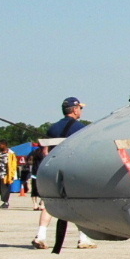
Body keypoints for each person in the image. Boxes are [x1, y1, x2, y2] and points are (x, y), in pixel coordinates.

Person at [38, 97, 96, 250]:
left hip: (54, 170)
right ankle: (83, 239)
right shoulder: (81, 128)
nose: (81, 111)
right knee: (81, 203)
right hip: (73, 170)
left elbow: (46, 151)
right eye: (81, 109)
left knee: (50, 205)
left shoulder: (52, 128)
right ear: (75, 109)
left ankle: (40, 235)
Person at [0, 142, 18, 209]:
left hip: (6, 174)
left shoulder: (11, 154)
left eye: (1, 145)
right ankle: (4, 201)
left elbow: (14, 164)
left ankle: (6, 202)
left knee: (5, 188)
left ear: (5, 145)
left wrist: (12, 174)